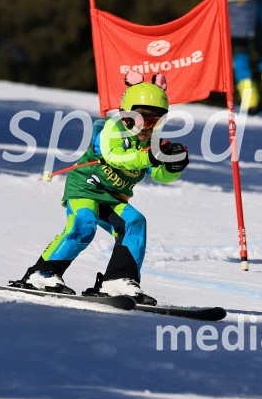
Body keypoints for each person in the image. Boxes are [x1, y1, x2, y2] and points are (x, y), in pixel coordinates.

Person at [13, 72, 189, 305]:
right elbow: (115, 156)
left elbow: (159, 175)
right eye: (141, 120)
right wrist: (152, 158)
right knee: (83, 223)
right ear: (125, 116)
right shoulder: (112, 128)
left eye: (156, 122)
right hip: (85, 188)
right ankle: (42, 273)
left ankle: (118, 280)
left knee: (135, 222)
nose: (147, 128)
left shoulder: (151, 142)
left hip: (114, 197)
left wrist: (173, 165)